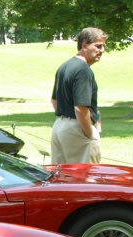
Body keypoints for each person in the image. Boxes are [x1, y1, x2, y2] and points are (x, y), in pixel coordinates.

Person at [50, 27, 107, 164]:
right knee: (86, 180)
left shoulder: (64, 66)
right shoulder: (83, 70)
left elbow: (54, 101)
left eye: (104, 47)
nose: (102, 50)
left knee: (61, 178)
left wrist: (65, 122)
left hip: (59, 127)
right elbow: (81, 108)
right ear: (84, 45)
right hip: (77, 129)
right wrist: (89, 133)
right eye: (98, 46)